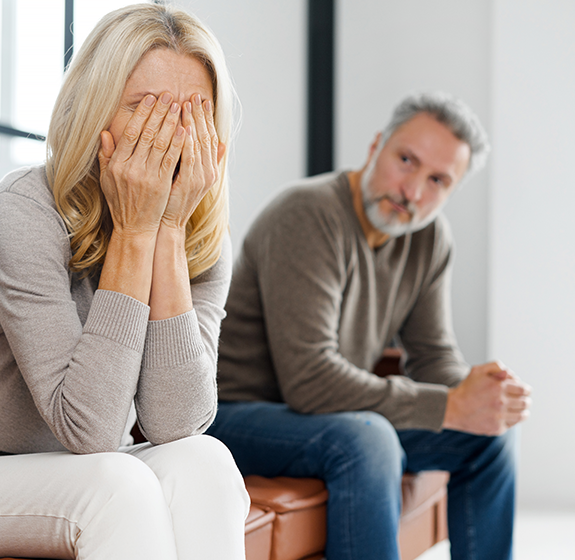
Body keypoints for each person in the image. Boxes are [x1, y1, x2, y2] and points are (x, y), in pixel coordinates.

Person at [0, 4, 249, 559]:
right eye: (144, 108)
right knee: (117, 483)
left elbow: (177, 425)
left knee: (206, 460)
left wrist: (167, 231)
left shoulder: (201, 238)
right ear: (95, 112)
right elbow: (90, 430)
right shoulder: (24, 208)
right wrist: (137, 232)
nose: (167, 134)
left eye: (191, 112)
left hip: (81, 470)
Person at [206, 92, 533, 560]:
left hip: (329, 416)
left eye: (438, 180)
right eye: (406, 160)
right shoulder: (308, 214)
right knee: (369, 437)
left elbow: (434, 355)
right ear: (376, 145)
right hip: (238, 414)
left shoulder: (429, 237)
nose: (413, 191)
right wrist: (448, 407)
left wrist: (481, 396)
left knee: (491, 430)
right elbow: (311, 382)